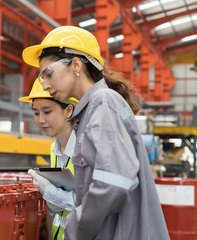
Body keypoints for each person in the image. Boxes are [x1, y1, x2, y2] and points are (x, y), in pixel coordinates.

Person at [22, 26, 169, 239]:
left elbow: (113, 182)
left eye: (48, 74)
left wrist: (74, 229)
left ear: (75, 65)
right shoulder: (90, 110)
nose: (44, 85)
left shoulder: (103, 103)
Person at [19, 79, 78, 240]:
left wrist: (50, 192)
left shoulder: (86, 149)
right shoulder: (54, 148)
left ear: (68, 111)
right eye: (36, 113)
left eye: (47, 112)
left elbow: (94, 204)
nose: (40, 120)